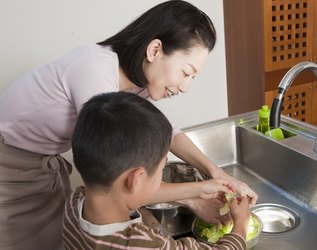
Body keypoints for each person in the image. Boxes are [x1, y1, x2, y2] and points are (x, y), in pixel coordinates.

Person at [0, 0, 257, 249]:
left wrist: (216, 173)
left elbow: (168, 132)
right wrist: (195, 194)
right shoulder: (95, 72)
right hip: (11, 167)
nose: (185, 86)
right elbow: (118, 179)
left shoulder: (136, 82)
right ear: (155, 50)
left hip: (44, 167)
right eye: (186, 72)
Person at [63, 91, 252, 250]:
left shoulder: (74, 204)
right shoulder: (144, 244)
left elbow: (126, 193)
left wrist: (198, 190)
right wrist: (241, 223)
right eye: (162, 168)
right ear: (136, 179)